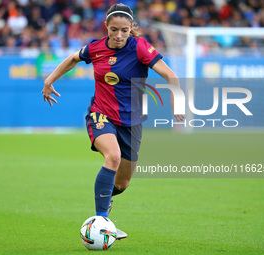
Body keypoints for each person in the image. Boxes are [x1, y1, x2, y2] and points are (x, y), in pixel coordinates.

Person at [41, 3, 184, 240]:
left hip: (132, 121)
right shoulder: (95, 48)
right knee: (113, 157)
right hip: (101, 113)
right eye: (114, 29)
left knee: (124, 182)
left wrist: (177, 102)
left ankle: (103, 207)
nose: (119, 35)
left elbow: (171, 75)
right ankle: (100, 221)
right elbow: (73, 58)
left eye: (124, 30)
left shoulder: (140, 47)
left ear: (131, 29)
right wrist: (49, 80)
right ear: (106, 26)